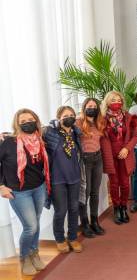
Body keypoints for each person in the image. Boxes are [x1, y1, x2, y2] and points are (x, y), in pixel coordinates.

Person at [0, 109, 50, 276]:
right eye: (23, 120)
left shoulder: (40, 140)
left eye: (31, 119)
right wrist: (1, 186)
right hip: (19, 192)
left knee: (35, 223)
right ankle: (24, 258)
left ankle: (33, 253)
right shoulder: (8, 142)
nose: (28, 122)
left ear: (36, 121)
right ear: (17, 123)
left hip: (39, 188)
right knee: (31, 227)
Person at [43, 106, 85, 253]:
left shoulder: (75, 132)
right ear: (59, 117)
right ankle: (60, 239)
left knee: (74, 209)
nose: (69, 117)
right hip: (57, 179)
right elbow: (33, 133)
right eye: (65, 115)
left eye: (72, 115)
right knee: (61, 211)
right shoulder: (50, 132)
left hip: (74, 177)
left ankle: (72, 237)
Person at [100, 91, 137, 225]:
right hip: (110, 155)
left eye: (119, 100)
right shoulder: (102, 118)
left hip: (125, 154)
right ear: (107, 102)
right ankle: (116, 208)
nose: (116, 102)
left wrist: (126, 148)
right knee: (114, 183)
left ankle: (123, 207)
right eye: (113, 100)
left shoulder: (129, 117)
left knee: (125, 183)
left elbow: (135, 136)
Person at [76, 98, 106, 238]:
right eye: (89, 106)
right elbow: (62, 126)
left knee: (95, 192)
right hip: (85, 161)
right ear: (84, 107)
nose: (92, 108)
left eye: (94, 106)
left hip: (98, 159)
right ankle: (85, 223)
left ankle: (95, 221)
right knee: (85, 193)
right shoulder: (78, 122)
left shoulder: (100, 122)